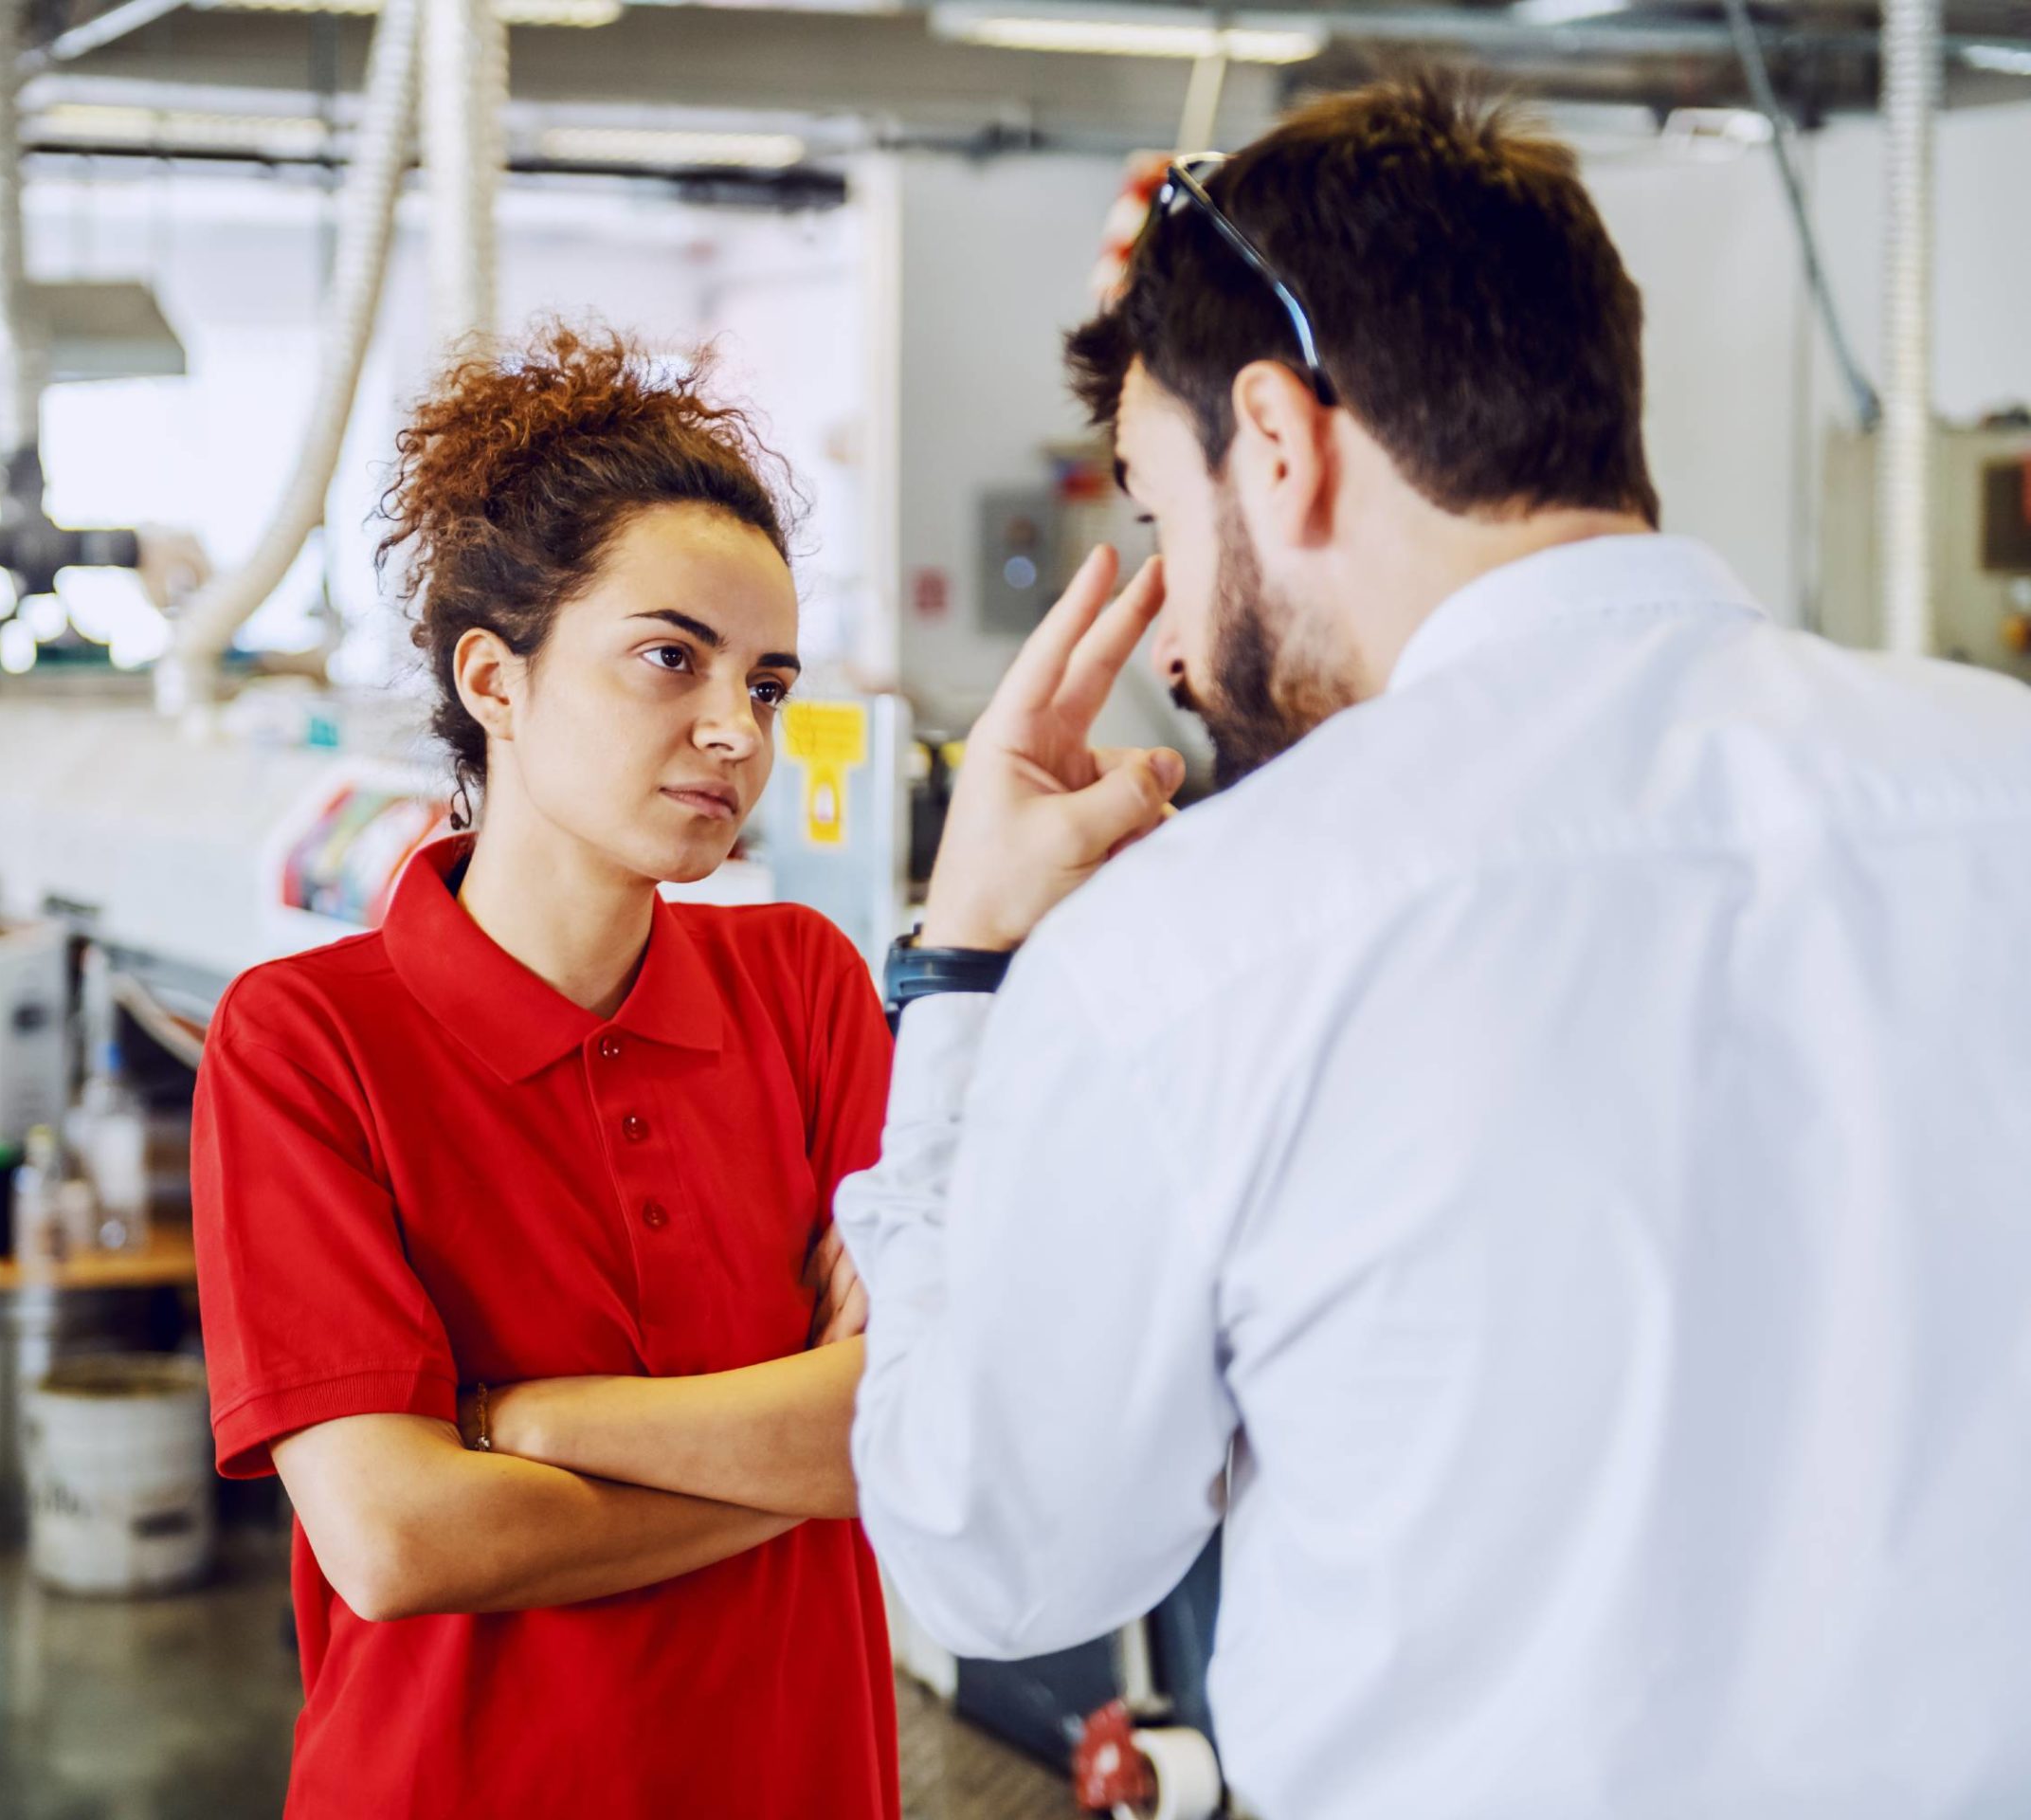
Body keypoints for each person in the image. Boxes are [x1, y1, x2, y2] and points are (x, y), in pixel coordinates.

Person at [837, 73, 2031, 1820]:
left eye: (1164, 525)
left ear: (1278, 441)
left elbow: (1000, 1551)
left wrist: (958, 985)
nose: (1168, 629)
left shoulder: (1203, 946)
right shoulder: (1996, 782)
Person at [191, 326, 898, 1819]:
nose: (734, 732)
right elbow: (400, 1543)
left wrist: (526, 1424)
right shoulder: (308, 1045)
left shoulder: (806, 991)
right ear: (494, 682)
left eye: (766, 684)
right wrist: (801, 1447)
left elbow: (922, 1429)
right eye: (669, 658)